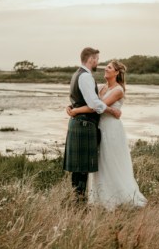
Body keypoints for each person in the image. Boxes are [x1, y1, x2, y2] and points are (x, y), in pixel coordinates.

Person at [67, 60, 147, 210]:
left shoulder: (118, 90)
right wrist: (72, 105)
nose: (106, 69)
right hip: (99, 127)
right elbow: (86, 99)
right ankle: (99, 197)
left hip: (112, 129)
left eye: (109, 67)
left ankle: (118, 197)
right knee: (100, 161)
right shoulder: (101, 87)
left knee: (111, 161)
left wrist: (77, 111)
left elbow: (97, 107)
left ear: (116, 72)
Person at [63, 47, 121, 204]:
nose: (98, 63)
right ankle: (79, 203)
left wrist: (73, 108)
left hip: (79, 122)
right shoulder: (86, 77)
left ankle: (78, 201)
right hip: (84, 123)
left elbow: (78, 99)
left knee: (79, 168)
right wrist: (111, 110)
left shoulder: (77, 74)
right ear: (91, 60)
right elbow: (94, 104)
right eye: (97, 59)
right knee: (82, 168)